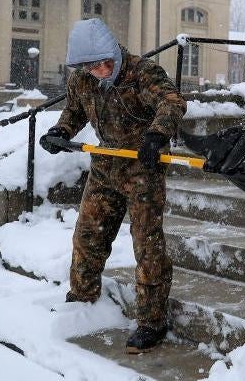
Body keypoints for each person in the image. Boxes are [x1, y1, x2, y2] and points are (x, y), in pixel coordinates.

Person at [39, 18, 186, 354]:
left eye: (106, 63)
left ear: (114, 54)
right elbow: (74, 111)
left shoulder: (142, 72)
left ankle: (152, 321)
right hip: (105, 165)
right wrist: (61, 131)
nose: (101, 71)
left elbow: (172, 102)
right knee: (88, 234)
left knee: (146, 244)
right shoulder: (82, 79)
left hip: (143, 167)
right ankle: (82, 298)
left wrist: (157, 134)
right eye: (92, 67)